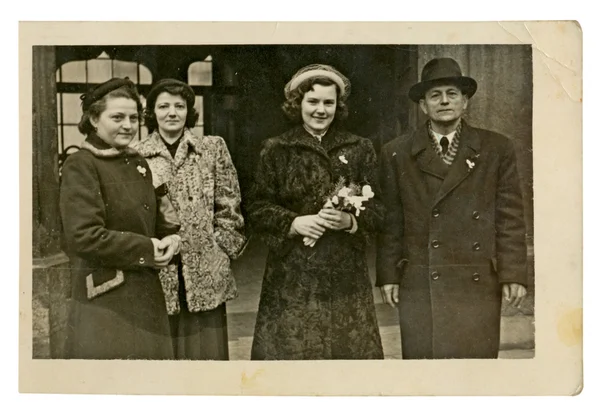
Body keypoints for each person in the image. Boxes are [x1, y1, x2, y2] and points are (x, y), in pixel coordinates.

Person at [376, 57, 528, 359]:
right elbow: (391, 220)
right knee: (425, 374)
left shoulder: (496, 148)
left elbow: (510, 217)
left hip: (476, 279)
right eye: (435, 95)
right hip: (420, 280)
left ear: (465, 101)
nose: (444, 101)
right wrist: (389, 275)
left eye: (452, 93)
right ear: (423, 106)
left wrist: (514, 274)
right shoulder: (396, 152)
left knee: (475, 373)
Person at [247, 64, 384, 360]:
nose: (320, 110)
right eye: (313, 101)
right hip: (292, 277)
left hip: (345, 276)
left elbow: (380, 208)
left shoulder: (359, 148)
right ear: (298, 104)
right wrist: (294, 223)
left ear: (338, 106)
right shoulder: (276, 150)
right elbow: (256, 208)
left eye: (328, 102)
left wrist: (350, 222)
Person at [60, 77, 181, 359]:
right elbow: (84, 237)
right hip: (106, 302)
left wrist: (171, 240)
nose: (128, 125)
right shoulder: (81, 164)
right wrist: (148, 249)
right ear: (93, 118)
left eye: (133, 117)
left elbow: (156, 223)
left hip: (146, 293)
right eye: (117, 117)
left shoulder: (137, 163)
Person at [134, 78, 246, 360]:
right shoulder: (136, 155)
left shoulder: (211, 148)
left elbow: (229, 202)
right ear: (152, 112)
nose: (172, 112)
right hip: (161, 265)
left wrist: (221, 248)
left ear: (189, 111)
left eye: (179, 106)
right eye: (163, 106)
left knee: (205, 350)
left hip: (206, 264)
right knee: (163, 346)